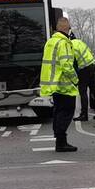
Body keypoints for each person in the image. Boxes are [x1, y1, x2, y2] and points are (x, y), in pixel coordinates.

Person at [39, 17, 79, 152]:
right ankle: (61, 143)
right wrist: (75, 79)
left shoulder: (50, 42)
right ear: (67, 29)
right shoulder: (64, 43)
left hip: (54, 85)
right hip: (64, 85)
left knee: (58, 112)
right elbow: (66, 65)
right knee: (66, 112)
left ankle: (59, 139)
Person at [70, 32, 95, 121]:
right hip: (92, 66)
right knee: (94, 89)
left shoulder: (70, 45)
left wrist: (74, 77)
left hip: (84, 69)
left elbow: (73, 62)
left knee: (83, 91)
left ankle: (84, 115)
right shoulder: (80, 42)